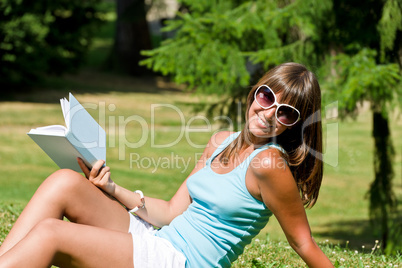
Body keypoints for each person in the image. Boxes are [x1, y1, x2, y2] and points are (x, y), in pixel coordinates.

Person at [0, 62, 333, 268]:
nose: (269, 113)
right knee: (65, 182)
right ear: (255, 93)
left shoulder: (269, 163)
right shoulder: (221, 141)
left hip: (178, 262)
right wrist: (112, 189)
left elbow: (302, 242)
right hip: (161, 241)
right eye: (266, 97)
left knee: (50, 234)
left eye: (285, 112)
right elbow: (173, 211)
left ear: (294, 124)